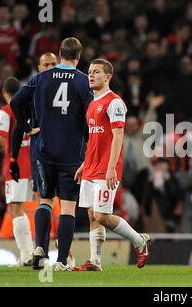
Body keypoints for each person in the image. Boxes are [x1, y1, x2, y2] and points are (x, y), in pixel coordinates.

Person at [11, 37, 93, 271]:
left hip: (43, 150)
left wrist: (27, 128)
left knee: (45, 201)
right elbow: (91, 116)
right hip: (71, 153)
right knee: (67, 207)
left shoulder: (40, 78)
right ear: (79, 56)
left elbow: (16, 101)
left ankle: (39, 249)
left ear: (60, 53)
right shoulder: (83, 82)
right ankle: (61, 261)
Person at [73, 59, 151, 272]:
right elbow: (93, 139)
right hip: (90, 167)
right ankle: (95, 262)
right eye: (89, 72)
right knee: (91, 215)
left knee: (102, 215)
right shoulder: (91, 104)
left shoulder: (114, 102)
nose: (91, 75)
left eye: (96, 72)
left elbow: (118, 137)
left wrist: (111, 167)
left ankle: (139, 240)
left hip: (106, 168)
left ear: (108, 77)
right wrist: (84, 163)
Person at [10, 53, 58, 257]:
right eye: (45, 64)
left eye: (53, 64)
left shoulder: (65, 88)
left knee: (61, 204)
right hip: (40, 153)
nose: (49, 67)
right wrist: (27, 128)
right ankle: (41, 249)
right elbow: (17, 118)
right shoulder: (33, 89)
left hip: (64, 153)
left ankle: (60, 249)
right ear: (39, 68)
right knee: (44, 200)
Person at [0, 77, 34, 266]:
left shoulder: (6, 111)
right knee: (20, 209)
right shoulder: (31, 108)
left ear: (4, 92)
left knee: (15, 209)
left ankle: (27, 255)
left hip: (16, 166)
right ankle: (29, 254)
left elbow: (2, 140)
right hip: (33, 164)